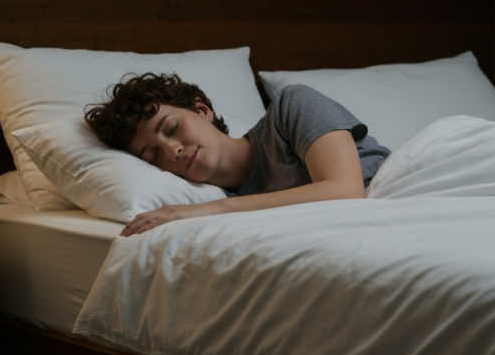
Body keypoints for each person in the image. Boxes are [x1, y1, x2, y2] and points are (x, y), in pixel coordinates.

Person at [84, 73, 390, 236]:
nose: (172, 149)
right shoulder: (221, 204)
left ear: (202, 109)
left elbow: (345, 190)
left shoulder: (291, 106)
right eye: (153, 156)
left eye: (172, 127)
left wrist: (209, 210)